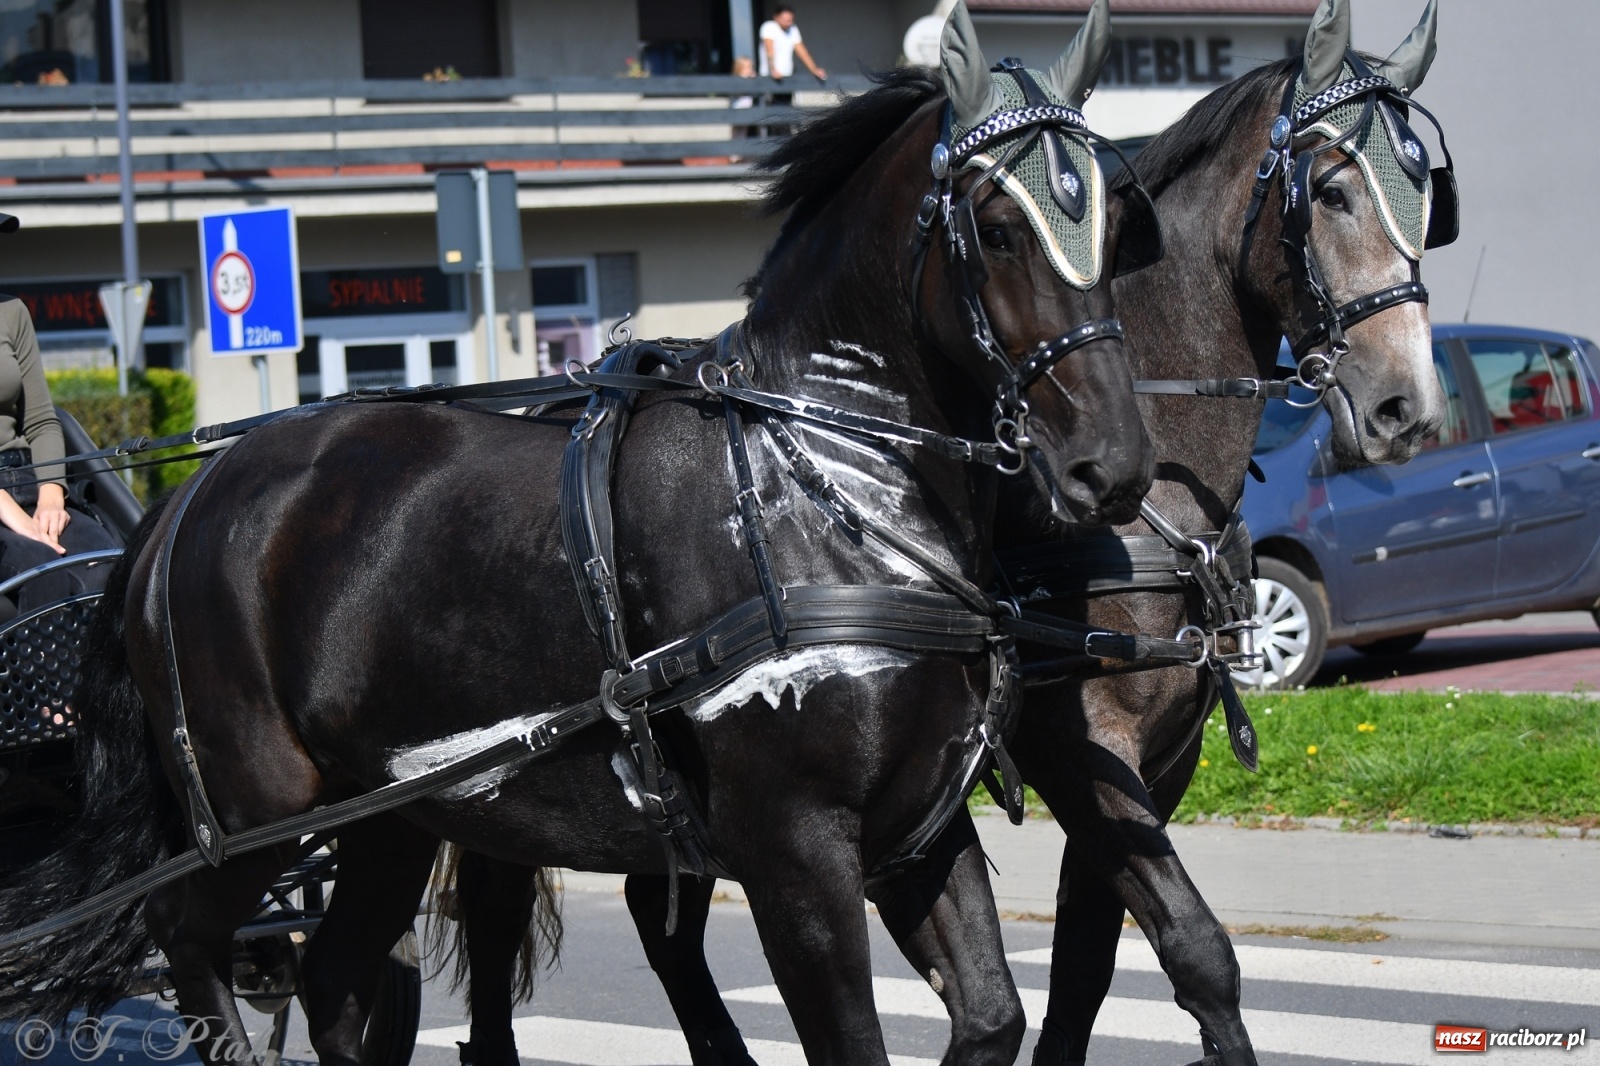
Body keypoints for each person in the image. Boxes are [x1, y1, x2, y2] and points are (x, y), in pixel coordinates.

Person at [0, 218, 118, 619]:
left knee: (110, 565)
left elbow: (41, 420)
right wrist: (19, 520)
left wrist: (52, 495)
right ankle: (49, 682)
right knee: (43, 574)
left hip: (28, 478)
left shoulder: (12, 312)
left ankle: (111, 683)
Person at [758, 6, 826, 131]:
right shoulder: (769, 27)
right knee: (772, 115)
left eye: (791, 20)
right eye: (785, 20)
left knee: (786, 113)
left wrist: (814, 70)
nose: (789, 23)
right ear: (776, 18)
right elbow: (769, 49)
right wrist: (773, 69)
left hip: (786, 80)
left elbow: (802, 52)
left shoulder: (793, 29)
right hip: (770, 79)